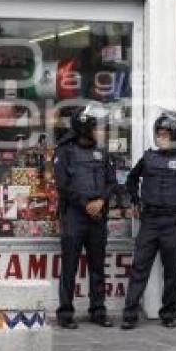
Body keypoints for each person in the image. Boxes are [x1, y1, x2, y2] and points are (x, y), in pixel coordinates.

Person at [121, 111, 176, 330]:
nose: (160, 137)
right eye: (158, 133)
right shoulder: (148, 158)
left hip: (174, 222)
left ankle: (169, 313)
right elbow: (131, 180)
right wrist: (133, 200)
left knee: (171, 271)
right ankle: (130, 314)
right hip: (149, 221)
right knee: (139, 268)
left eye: (165, 134)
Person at [54, 104, 118, 329]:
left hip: (98, 216)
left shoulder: (103, 151)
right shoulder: (65, 151)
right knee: (69, 267)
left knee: (97, 266)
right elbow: (63, 186)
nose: (103, 130)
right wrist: (85, 205)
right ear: (85, 127)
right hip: (74, 216)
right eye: (98, 126)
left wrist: (101, 201)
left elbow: (112, 182)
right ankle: (65, 313)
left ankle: (98, 311)